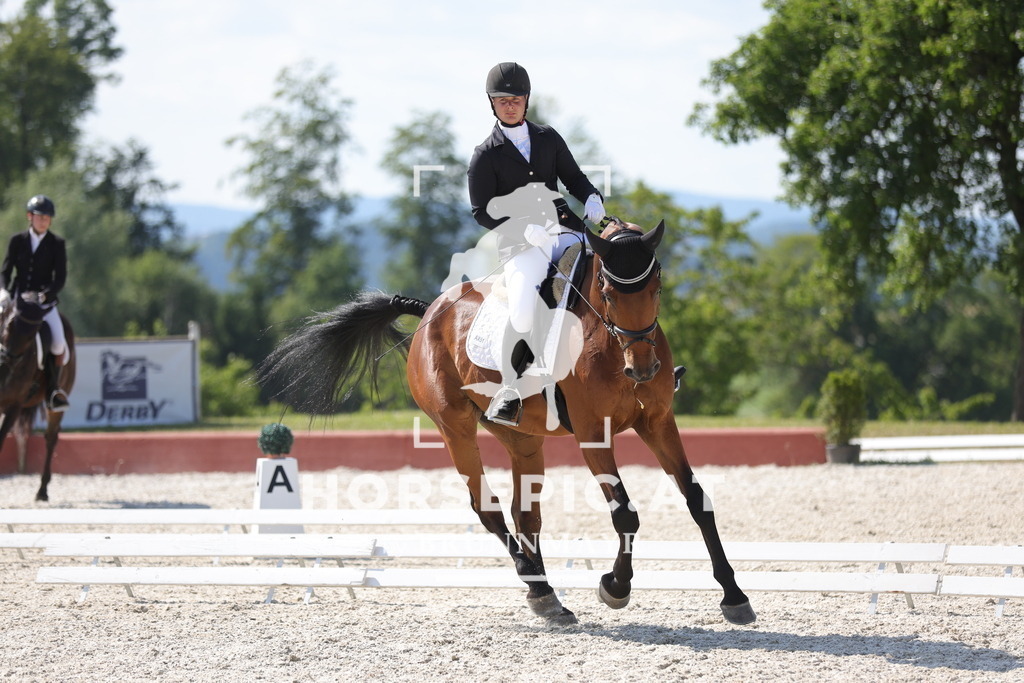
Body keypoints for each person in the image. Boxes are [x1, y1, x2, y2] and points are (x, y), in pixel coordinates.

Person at [467, 61, 606, 426]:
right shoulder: (485, 155)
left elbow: (573, 178)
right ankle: (511, 390)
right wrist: (521, 230)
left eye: (515, 99)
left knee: (610, 280)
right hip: (522, 247)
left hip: (565, 232)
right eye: (502, 100)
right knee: (525, 307)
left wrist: (591, 197)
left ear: (526, 100)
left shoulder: (548, 138)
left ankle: (640, 368)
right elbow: (481, 212)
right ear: (492, 104)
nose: (509, 105)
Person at [0, 194, 70, 411]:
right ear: (30, 217)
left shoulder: (57, 244)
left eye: (48, 217)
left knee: (59, 344)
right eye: (40, 216)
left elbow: (60, 278)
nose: (44, 220)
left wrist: (45, 295)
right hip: (16, 300)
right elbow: (5, 271)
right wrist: (3, 290)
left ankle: (53, 390)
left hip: (44, 304)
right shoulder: (17, 241)